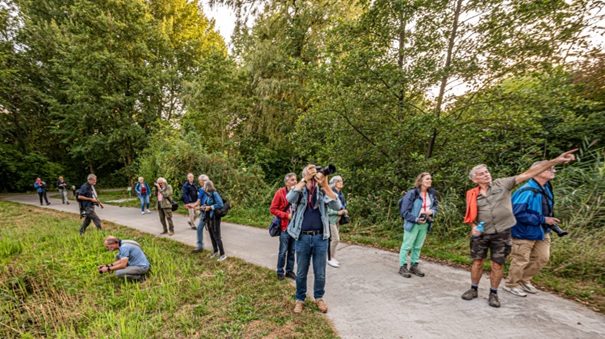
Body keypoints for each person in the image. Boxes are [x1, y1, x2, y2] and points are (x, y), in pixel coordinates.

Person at [461, 149, 577, 308]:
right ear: (475, 179)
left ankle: (493, 293)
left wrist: (555, 161)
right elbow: (470, 215)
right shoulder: (472, 194)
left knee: (497, 264)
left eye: (487, 171)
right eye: (481, 174)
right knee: (477, 262)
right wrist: (474, 227)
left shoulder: (502, 184)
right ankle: (473, 289)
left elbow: (529, 173)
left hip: (502, 232)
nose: (486, 174)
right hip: (481, 234)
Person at [287, 164, 341, 314]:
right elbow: (289, 198)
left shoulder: (322, 191)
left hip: (320, 238)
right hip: (302, 237)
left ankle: (319, 298)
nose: (314, 178)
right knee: (302, 272)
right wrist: (305, 179)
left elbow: (337, 205)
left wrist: (324, 184)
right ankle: (300, 299)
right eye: (312, 175)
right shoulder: (301, 190)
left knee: (320, 272)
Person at [503, 161, 561, 297]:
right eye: (549, 169)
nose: (553, 171)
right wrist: (543, 219)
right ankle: (511, 284)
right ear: (537, 171)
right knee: (521, 259)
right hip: (524, 231)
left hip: (542, 230)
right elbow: (517, 213)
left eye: (553, 169)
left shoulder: (546, 188)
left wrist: (547, 221)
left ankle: (524, 280)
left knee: (542, 258)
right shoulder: (526, 191)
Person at [398, 172, 438, 278]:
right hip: (413, 223)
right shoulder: (412, 193)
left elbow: (435, 207)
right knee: (407, 246)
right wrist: (416, 219)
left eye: (430, 179)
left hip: (425, 223)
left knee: (417, 246)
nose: (430, 181)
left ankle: (414, 266)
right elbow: (404, 211)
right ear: (420, 181)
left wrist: (431, 212)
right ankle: (402, 267)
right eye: (427, 179)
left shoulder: (431, 194)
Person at [270, 172, 297, 280]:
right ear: (286, 183)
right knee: (283, 250)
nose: (295, 181)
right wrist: (286, 215)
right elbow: (273, 209)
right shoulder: (280, 193)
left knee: (292, 250)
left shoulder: (298, 192)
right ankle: (280, 271)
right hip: (285, 226)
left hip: (295, 227)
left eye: (296, 179)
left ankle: (289, 271)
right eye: (292, 180)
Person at [202, 180, 227, 261]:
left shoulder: (215, 194)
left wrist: (211, 207)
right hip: (209, 218)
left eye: (204, 186)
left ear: (207, 187)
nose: (203, 188)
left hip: (215, 218)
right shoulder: (208, 195)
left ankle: (222, 254)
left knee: (217, 236)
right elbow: (208, 204)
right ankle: (215, 251)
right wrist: (205, 206)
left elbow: (220, 204)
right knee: (211, 236)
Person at [327, 176, 348, 268]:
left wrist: (344, 210)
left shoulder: (341, 194)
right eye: (338, 181)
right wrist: (337, 212)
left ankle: (333, 257)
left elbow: (341, 205)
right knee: (335, 239)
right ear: (334, 183)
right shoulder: (330, 194)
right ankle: (330, 258)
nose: (341, 182)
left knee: (333, 240)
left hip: (338, 220)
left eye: (341, 181)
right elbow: (326, 210)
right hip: (331, 220)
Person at [186, 174, 209, 253]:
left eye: (202, 182)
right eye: (200, 182)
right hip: (203, 213)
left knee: (213, 230)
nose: (201, 183)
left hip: (211, 213)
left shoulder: (212, 189)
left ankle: (217, 248)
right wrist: (192, 206)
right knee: (199, 228)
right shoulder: (201, 190)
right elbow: (199, 201)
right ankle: (199, 246)